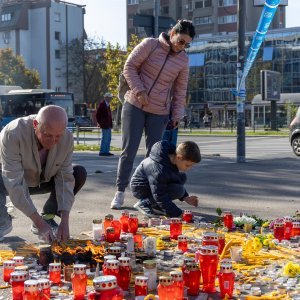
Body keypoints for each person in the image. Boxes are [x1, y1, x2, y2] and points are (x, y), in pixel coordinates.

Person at [111, 19, 196, 209]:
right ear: (173, 33)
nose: (182, 47)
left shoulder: (183, 60)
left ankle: (147, 198)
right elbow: (129, 67)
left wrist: (176, 115)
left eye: (187, 44)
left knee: (154, 157)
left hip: (159, 111)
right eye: (181, 41)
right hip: (135, 104)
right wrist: (139, 91)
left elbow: (180, 90)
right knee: (128, 151)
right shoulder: (150, 45)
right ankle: (120, 191)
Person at [0, 105, 87, 242]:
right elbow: (14, 182)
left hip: (42, 180)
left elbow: (65, 179)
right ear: (36, 125)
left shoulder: (67, 138)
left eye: (58, 136)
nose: (53, 142)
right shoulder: (13, 133)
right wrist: (39, 223)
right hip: (10, 182)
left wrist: (65, 221)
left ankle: (48, 216)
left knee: (78, 172)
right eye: (48, 135)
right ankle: (2, 220)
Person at [130, 140, 201, 218]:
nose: (189, 168)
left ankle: (156, 206)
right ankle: (144, 203)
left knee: (181, 177)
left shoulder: (171, 160)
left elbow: (172, 180)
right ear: (178, 157)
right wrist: (178, 214)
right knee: (178, 190)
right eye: (187, 165)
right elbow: (160, 195)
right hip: (140, 188)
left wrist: (185, 197)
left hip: (153, 186)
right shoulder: (159, 170)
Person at [96, 92, 114, 156]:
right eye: (109, 98)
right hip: (105, 124)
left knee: (108, 138)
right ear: (105, 97)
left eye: (111, 98)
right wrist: (100, 122)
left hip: (108, 124)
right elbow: (97, 115)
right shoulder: (102, 104)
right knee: (105, 138)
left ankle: (106, 151)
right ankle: (102, 151)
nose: (110, 99)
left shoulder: (108, 105)